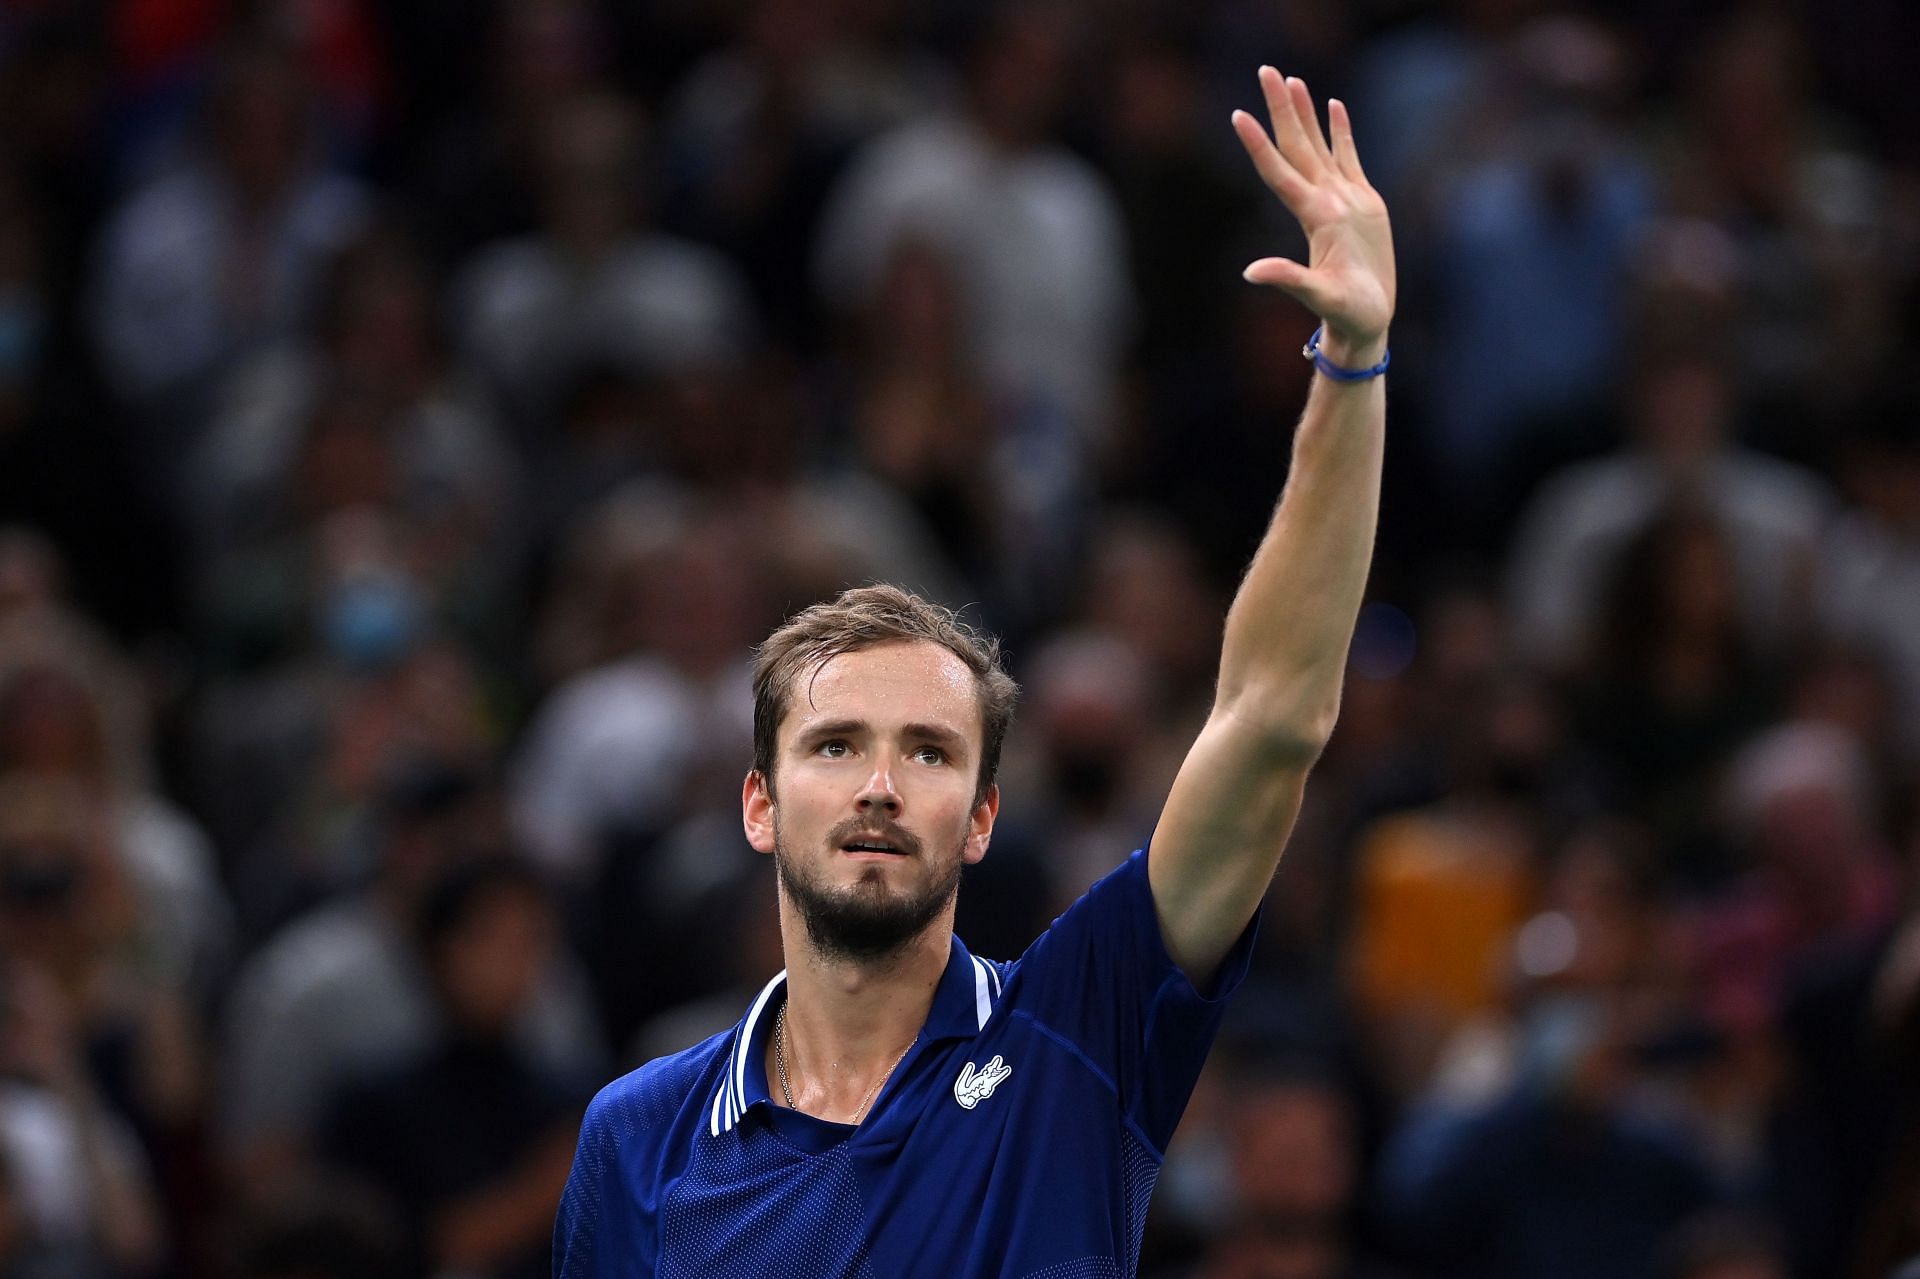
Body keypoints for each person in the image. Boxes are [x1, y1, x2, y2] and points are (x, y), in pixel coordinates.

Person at [552, 66, 1395, 1278]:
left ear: (987, 816)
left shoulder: (1079, 1027)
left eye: (930, 751)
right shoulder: (636, 1138)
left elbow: (1271, 718)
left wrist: (1351, 363)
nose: (882, 785)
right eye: (836, 744)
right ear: (757, 800)